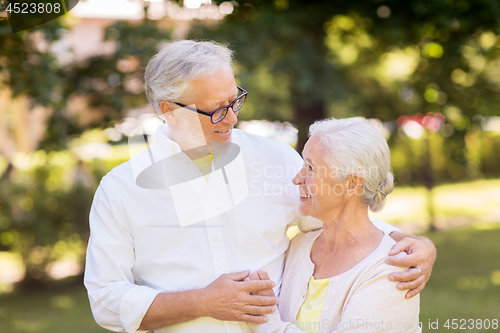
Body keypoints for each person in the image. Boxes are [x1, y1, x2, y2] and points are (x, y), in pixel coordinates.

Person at [84, 40, 436, 333]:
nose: (233, 119)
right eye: (216, 111)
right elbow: (105, 300)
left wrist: (409, 245)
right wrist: (201, 301)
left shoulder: (275, 160)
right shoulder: (121, 191)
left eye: (234, 101)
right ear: (169, 110)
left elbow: (338, 217)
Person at [249, 118, 421, 333]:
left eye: (310, 168)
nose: (297, 179)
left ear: (351, 184)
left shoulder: (392, 272)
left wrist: (266, 320)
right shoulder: (299, 246)